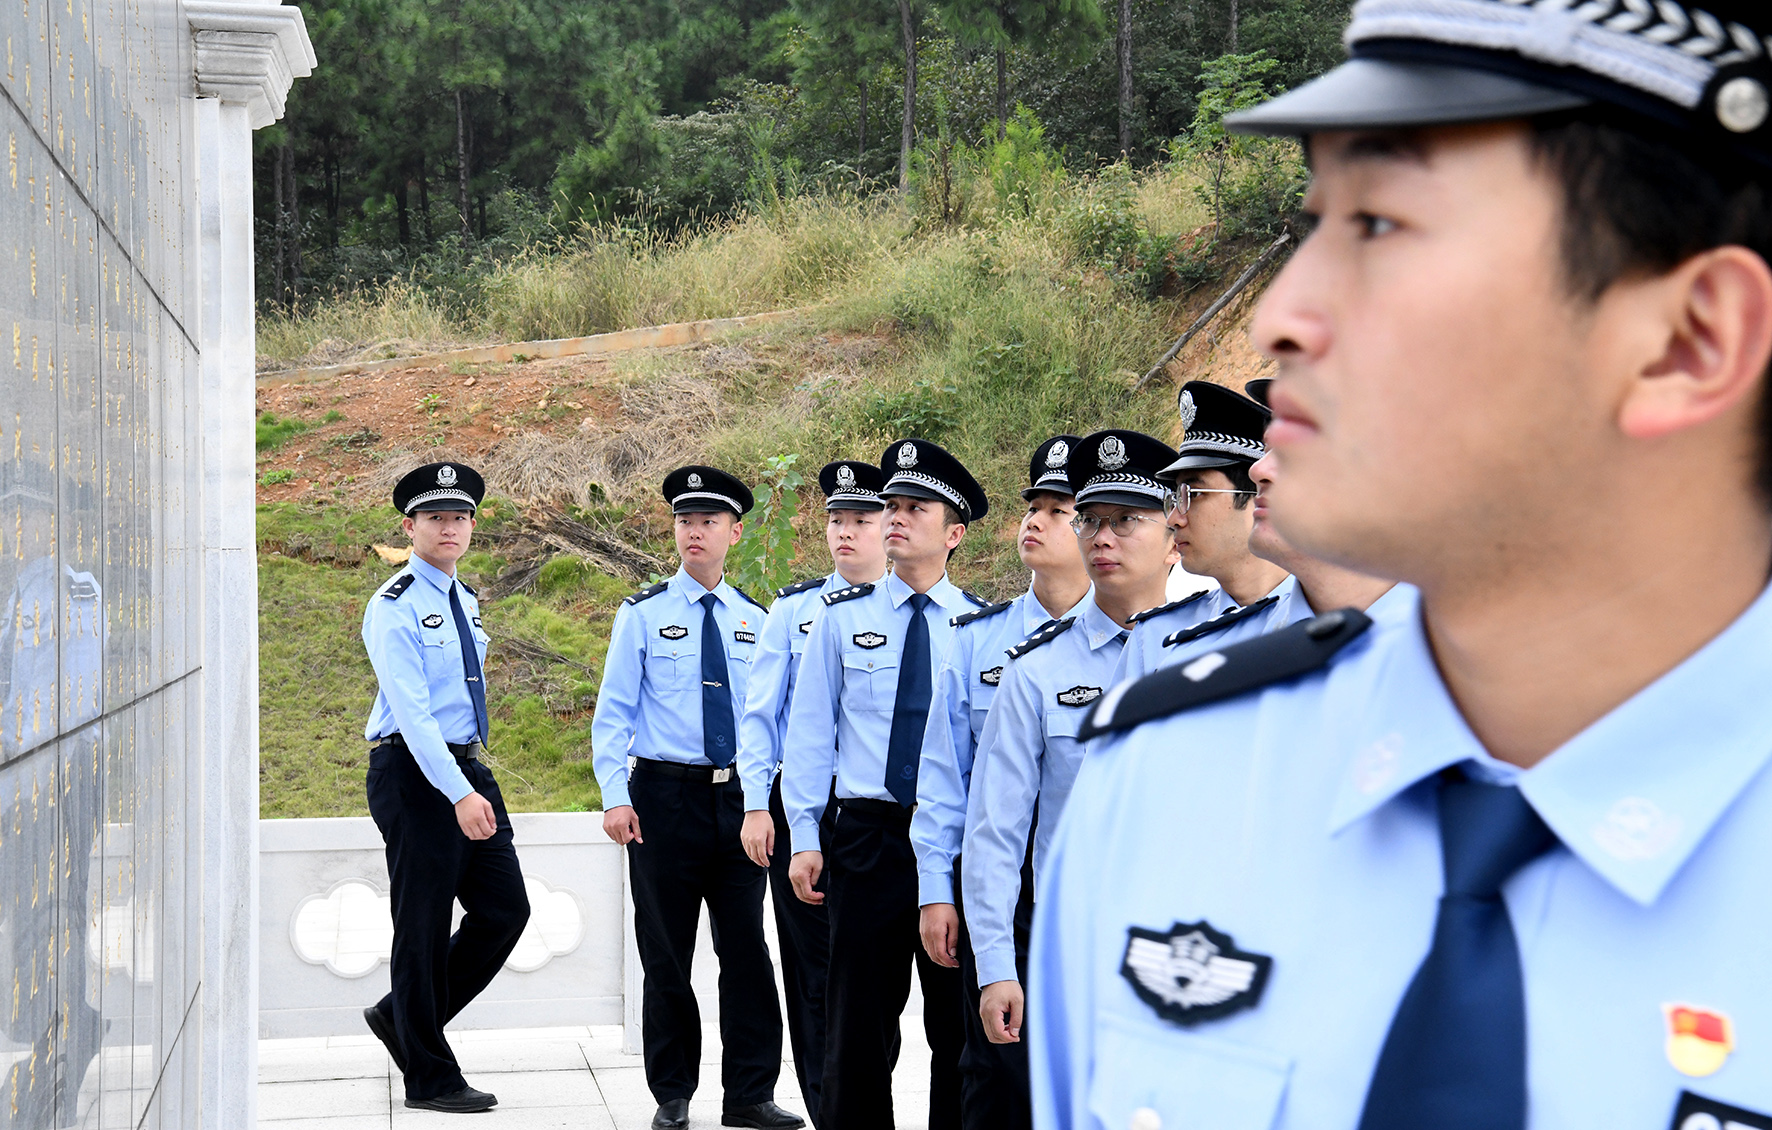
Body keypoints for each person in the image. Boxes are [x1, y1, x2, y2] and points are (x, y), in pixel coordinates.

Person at [1032, 4, 1772, 1127]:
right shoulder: (1173, 787)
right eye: (1314, 222)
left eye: (1378, 222)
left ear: (1687, 341)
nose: (1280, 317)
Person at [781, 438, 991, 1130]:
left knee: (957, 1030)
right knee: (856, 1030)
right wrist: (804, 836)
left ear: (954, 533)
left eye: (915, 508)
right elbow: (810, 735)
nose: (896, 517)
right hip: (867, 841)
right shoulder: (842, 618)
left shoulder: (981, 630)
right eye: (891, 505)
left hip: (952, 843)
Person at [962, 430, 1180, 1075]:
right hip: (1071, 938)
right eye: (1090, 520)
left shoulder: (1214, 655)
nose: (1102, 538)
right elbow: (995, 828)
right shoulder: (1036, 669)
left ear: (1174, 536)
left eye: (1126, 520)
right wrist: (996, 965)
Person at [592, 466, 802, 1130]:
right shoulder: (643, 614)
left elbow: (771, 720)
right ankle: (673, 1094)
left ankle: (750, 1094)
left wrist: (767, 797)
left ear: (734, 532)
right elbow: (613, 713)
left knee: (746, 952)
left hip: (738, 801)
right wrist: (615, 795)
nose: (694, 532)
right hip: (662, 799)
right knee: (666, 953)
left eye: (709, 521)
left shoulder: (756, 620)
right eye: (685, 521)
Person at [912, 435, 1093, 1130]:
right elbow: (944, 776)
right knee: (993, 1074)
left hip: (1084, 884)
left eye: (1058, 510)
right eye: (1032, 508)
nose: (1036, 522)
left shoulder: (1141, 641)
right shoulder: (979, 638)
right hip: (998, 887)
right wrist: (937, 888)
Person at [361, 462, 531, 1114]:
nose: (449, 527)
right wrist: (459, 793)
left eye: (460, 517)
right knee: (423, 926)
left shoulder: (464, 599)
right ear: (410, 527)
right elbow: (413, 713)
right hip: (413, 772)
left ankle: (402, 1018)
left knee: (505, 910)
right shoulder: (395, 604)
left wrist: (466, 782)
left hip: (462, 766)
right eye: (435, 517)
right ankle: (429, 1077)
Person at [737, 459, 891, 1128]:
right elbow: (760, 715)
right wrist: (755, 804)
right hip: (803, 808)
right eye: (836, 520)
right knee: (815, 971)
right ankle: (832, 1110)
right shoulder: (796, 609)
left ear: (891, 526)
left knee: (873, 974)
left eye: (861, 520)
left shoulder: (920, 612)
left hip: (880, 816)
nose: (845, 533)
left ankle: (862, 1098)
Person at [1148, 379, 1405, 665]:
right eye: (1268, 450)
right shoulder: (1231, 662)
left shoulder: (1437, 636)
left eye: (1291, 449)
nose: (1258, 470)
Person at [1117, 380, 1290, 680]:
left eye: (1194, 494)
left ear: (1256, 493)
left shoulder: (1332, 612)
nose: (1174, 519)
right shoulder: (1156, 639)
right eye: (1176, 497)